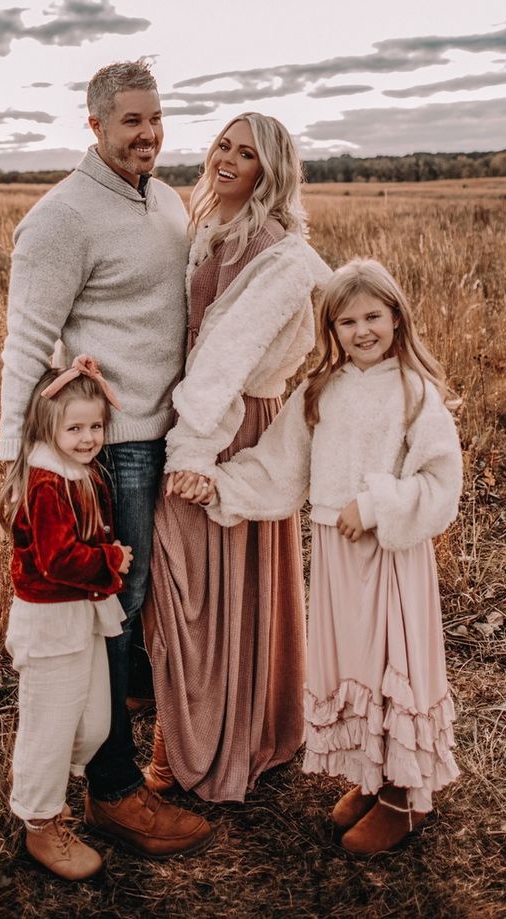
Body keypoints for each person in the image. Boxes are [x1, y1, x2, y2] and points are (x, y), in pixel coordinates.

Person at [0, 60, 212, 857]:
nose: (148, 133)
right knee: (110, 619)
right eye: (130, 121)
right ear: (94, 126)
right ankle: (113, 791)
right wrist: (12, 460)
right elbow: (24, 343)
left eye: (156, 118)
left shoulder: (164, 201)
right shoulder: (61, 218)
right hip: (111, 451)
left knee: (148, 610)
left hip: (168, 439)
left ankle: (130, 749)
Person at [204, 259, 463, 854]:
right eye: (347, 321)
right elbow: (280, 464)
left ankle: (405, 796)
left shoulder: (414, 392)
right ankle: (373, 776)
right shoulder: (319, 391)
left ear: (396, 318)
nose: (362, 330)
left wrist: (374, 506)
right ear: (331, 329)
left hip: (390, 557)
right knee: (355, 661)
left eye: (373, 316)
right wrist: (218, 484)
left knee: (393, 662)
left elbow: (441, 482)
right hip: (336, 558)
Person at [143, 112, 332, 802]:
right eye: (223, 143)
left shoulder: (277, 253)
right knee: (199, 585)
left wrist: (193, 448)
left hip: (231, 423)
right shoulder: (207, 229)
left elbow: (226, 358)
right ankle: (206, 722)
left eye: (245, 153)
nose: (226, 158)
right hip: (197, 408)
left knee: (189, 583)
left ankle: (181, 754)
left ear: (269, 171)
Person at [0, 352, 132, 879]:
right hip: (51, 622)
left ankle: (56, 792)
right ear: (47, 426)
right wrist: (111, 561)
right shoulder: (46, 482)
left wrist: (104, 561)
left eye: (95, 426)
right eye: (74, 427)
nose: (87, 436)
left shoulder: (80, 473)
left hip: (84, 616)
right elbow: (57, 560)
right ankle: (40, 822)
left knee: (95, 721)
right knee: (49, 725)